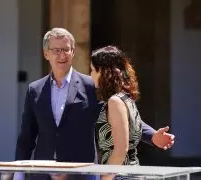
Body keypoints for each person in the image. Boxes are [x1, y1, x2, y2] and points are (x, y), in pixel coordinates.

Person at [14, 28, 174, 180]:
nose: (61, 55)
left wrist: (152, 136)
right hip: (43, 174)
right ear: (46, 53)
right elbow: (26, 137)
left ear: (73, 52)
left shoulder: (91, 85)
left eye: (66, 49)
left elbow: (120, 115)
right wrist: (18, 173)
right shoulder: (34, 90)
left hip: (82, 173)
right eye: (56, 50)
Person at [90, 46, 175, 180]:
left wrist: (105, 179)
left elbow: (120, 151)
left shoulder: (115, 102)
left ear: (104, 72)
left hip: (120, 176)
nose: (91, 75)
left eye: (93, 70)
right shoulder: (125, 98)